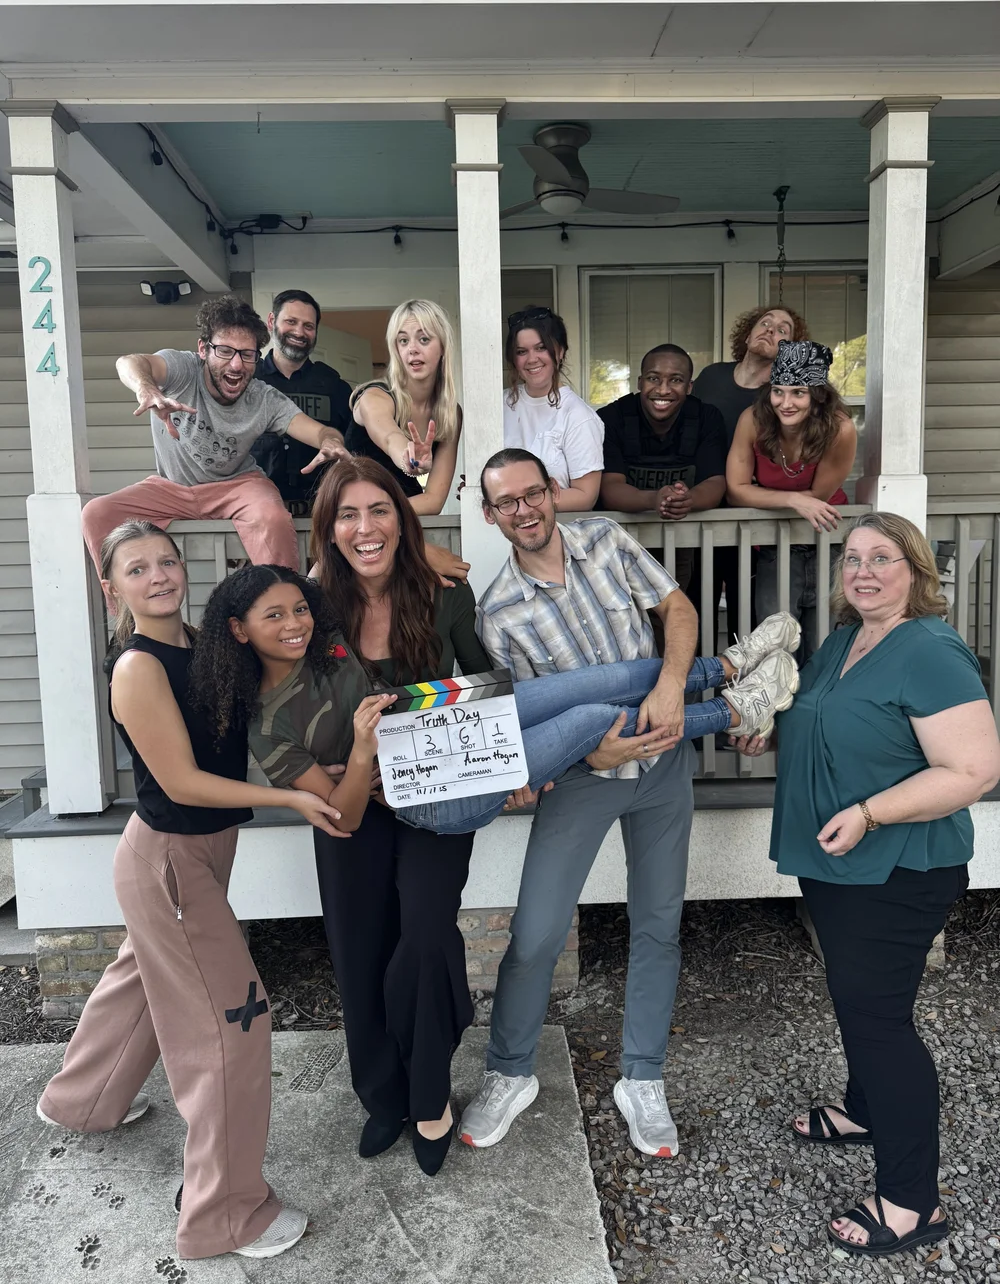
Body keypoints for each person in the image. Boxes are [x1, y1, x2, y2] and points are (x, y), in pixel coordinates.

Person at [191, 462, 798, 1177]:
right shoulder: (311, 616)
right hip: (374, 801)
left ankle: (726, 674)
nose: (365, 527)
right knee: (360, 951)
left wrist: (514, 765)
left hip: (457, 760)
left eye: (380, 511)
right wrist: (365, 753)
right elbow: (333, 777)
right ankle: (383, 1097)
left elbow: (488, 682)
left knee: (432, 929)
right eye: (348, 515)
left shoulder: (428, 594)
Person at [458, 448, 801, 1158]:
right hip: (585, 779)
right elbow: (540, 728)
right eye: (507, 502)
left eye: (533, 493)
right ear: (490, 515)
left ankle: (642, 1077)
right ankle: (510, 1071)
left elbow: (676, 608)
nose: (525, 510)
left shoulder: (605, 539)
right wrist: (594, 756)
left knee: (657, 926)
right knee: (536, 934)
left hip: (664, 762)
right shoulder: (497, 615)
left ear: (552, 492)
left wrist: (673, 685)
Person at [35, 520, 345, 1262]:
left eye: (167, 561)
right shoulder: (138, 667)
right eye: (137, 568)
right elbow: (181, 781)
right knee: (232, 1025)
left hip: (195, 854)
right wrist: (292, 797)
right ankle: (225, 1215)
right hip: (170, 858)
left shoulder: (206, 644)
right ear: (112, 589)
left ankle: (80, 1102)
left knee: (143, 979)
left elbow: (285, 621)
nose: (159, 576)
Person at [731, 512, 1000, 1258]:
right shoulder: (844, 640)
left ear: (915, 570)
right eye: (852, 558)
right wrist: (766, 731)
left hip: (899, 866)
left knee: (879, 1020)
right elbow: (824, 721)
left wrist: (870, 812)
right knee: (859, 998)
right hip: (836, 863)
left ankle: (913, 1201)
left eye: (883, 557)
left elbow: (974, 770)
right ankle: (864, 1109)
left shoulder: (931, 650)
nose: (864, 571)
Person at [80, 295, 351, 572]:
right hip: (173, 487)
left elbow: (319, 431)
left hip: (238, 486)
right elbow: (130, 362)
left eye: (247, 354)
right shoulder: (183, 369)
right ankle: (120, 599)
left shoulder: (264, 398)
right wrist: (146, 388)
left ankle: (284, 596)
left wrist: (330, 441)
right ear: (203, 349)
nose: (236, 365)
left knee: (273, 518)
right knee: (96, 514)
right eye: (224, 351)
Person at [726, 339, 857, 662]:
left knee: (825, 643)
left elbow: (819, 498)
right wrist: (795, 500)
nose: (786, 403)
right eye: (778, 391)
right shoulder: (753, 420)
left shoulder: (840, 428)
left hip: (828, 538)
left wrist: (784, 498)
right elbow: (736, 490)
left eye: (798, 392)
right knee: (774, 641)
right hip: (774, 540)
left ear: (817, 396)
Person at [689, 304, 809, 647]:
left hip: (753, 515)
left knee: (748, 615)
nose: (771, 329)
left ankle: (744, 680)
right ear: (747, 333)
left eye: (783, 330)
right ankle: (696, 678)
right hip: (701, 511)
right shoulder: (712, 377)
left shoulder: (783, 394)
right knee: (696, 607)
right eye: (765, 323)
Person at [345, 299, 468, 582]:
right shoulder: (375, 396)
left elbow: (434, 500)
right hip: (350, 518)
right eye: (403, 341)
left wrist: (382, 517)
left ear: (442, 347)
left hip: (394, 525)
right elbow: (390, 437)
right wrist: (409, 458)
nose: (412, 348)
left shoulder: (450, 414)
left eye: (423, 339)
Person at [597, 343, 727, 590]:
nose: (663, 389)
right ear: (639, 382)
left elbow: (715, 482)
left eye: (675, 380)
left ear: (689, 387)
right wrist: (655, 499)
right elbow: (609, 488)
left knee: (679, 608)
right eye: (653, 378)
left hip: (685, 545)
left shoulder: (706, 418)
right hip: (618, 546)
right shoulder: (612, 418)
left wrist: (687, 500)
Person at [249, 288, 352, 516]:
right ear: (271, 321)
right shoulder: (248, 381)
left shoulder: (335, 387)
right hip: (258, 515)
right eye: (291, 321)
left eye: (308, 326)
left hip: (324, 515)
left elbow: (354, 451)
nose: (299, 332)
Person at [503, 305, 604, 512]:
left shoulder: (578, 416)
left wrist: (521, 503)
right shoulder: (499, 404)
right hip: (497, 527)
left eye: (541, 348)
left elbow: (585, 496)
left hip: (553, 528)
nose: (532, 359)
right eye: (521, 352)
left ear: (560, 351)